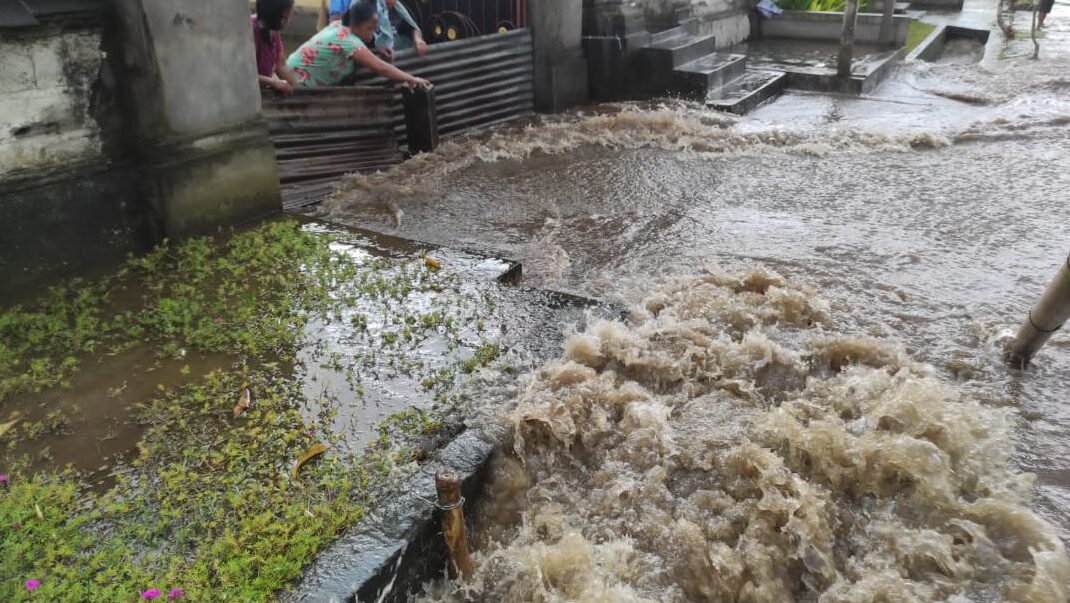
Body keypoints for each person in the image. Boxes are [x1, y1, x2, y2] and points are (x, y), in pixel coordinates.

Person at [286, 2, 432, 89]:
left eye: (375, 29)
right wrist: (411, 78)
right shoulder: (349, 41)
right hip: (297, 83)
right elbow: (381, 67)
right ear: (356, 24)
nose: (372, 33)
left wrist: (375, 49)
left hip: (290, 73)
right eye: (369, 28)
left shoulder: (338, 27)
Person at [253, 0, 299, 95]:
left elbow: (281, 65)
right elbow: (243, 75)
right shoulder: (251, 31)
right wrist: (272, 82)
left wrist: (297, 91)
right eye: (285, 17)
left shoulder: (273, 30)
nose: (287, 21)